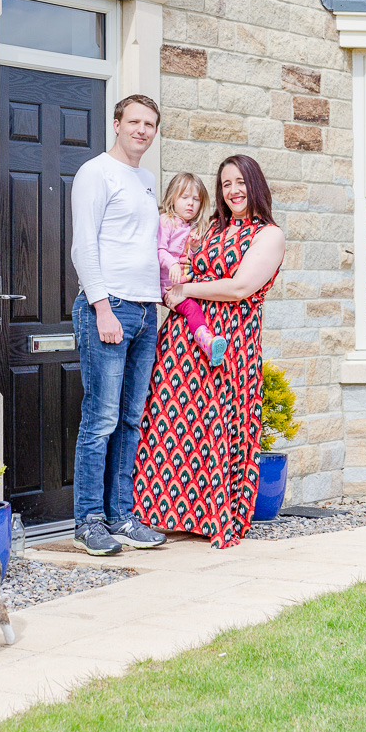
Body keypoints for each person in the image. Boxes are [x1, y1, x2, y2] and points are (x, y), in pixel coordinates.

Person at [132, 154, 285, 549]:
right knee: (167, 424)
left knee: (216, 426)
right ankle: (158, 515)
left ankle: (213, 514)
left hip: (229, 342)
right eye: (225, 184)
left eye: (240, 182)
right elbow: (178, 265)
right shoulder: (210, 229)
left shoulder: (268, 234)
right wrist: (173, 289)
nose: (232, 190)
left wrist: (186, 290)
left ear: (255, 184)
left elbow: (239, 288)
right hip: (181, 340)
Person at [70, 95, 169, 556]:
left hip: (147, 311)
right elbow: (83, 247)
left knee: (131, 419)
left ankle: (121, 515)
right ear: (116, 124)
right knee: (101, 419)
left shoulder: (146, 179)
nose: (142, 130)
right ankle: (88, 521)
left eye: (150, 124)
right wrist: (102, 308)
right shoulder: (96, 172)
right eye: (135, 121)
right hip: (109, 309)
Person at [158, 172, 227, 365]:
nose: (191, 203)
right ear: (172, 198)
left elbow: (192, 261)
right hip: (168, 288)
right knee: (191, 309)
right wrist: (171, 263)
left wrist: (195, 248)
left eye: (196, 199)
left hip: (184, 284)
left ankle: (208, 342)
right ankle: (207, 342)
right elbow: (159, 249)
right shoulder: (166, 221)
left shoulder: (191, 228)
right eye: (185, 197)